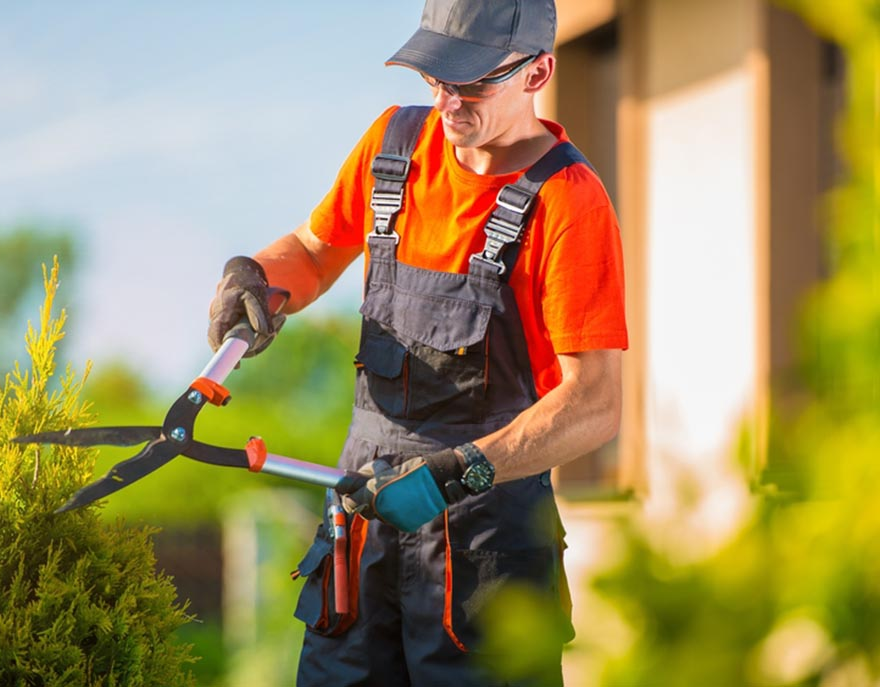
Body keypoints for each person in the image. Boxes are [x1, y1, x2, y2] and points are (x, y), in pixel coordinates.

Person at [208, 0, 628, 684]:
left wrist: (456, 471)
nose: (447, 100)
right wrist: (256, 276)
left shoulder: (568, 202)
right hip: (361, 533)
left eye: (471, 83)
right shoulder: (393, 146)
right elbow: (316, 252)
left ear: (538, 72)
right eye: (436, 77)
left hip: (486, 559)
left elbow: (596, 403)